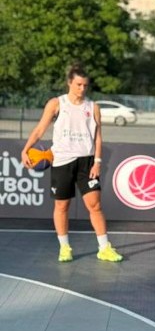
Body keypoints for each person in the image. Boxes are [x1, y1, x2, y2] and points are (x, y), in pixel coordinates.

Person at [21, 63, 123, 263]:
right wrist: (26, 149)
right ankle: (64, 247)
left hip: (87, 162)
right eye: (78, 84)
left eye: (85, 85)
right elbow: (40, 129)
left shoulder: (93, 107)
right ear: (69, 83)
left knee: (95, 205)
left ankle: (104, 248)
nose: (82, 89)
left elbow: (98, 137)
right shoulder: (56, 104)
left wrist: (97, 161)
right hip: (61, 161)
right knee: (62, 205)